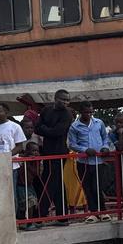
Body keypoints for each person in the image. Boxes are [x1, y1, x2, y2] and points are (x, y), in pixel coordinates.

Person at [67, 102, 111, 221]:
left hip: (98, 160)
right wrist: (85, 150)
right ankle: (93, 213)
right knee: (88, 188)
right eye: (87, 112)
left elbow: (105, 137)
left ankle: (103, 211)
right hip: (83, 162)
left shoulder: (99, 123)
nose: (89, 114)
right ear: (81, 112)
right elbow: (72, 144)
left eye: (91, 112)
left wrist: (105, 147)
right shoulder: (74, 126)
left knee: (97, 187)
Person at [34, 89, 74, 223]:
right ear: (55, 98)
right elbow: (36, 127)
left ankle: (40, 215)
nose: (65, 102)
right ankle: (63, 216)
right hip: (47, 152)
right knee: (56, 183)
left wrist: (45, 129)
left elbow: (57, 132)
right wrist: (48, 130)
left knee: (50, 182)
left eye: (67, 100)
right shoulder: (46, 110)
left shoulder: (67, 114)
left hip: (59, 153)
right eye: (63, 99)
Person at [0, 103, 27, 218]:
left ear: (6, 113)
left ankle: (12, 220)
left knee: (10, 194)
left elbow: (20, 146)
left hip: (10, 166)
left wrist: (7, 156)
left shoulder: (14, 127)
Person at [16, 141, 44, 229]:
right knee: (23, 205)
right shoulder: (22, 160)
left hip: (29, 185)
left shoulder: (36, 161)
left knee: (32, 203)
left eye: (37, 151)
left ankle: (29, 222)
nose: (35, 153)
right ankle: (24, 223)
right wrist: (26, 159)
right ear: (27, 152)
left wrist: (32, 161)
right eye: (33, 151)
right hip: (21, 186)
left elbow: (36, 173)